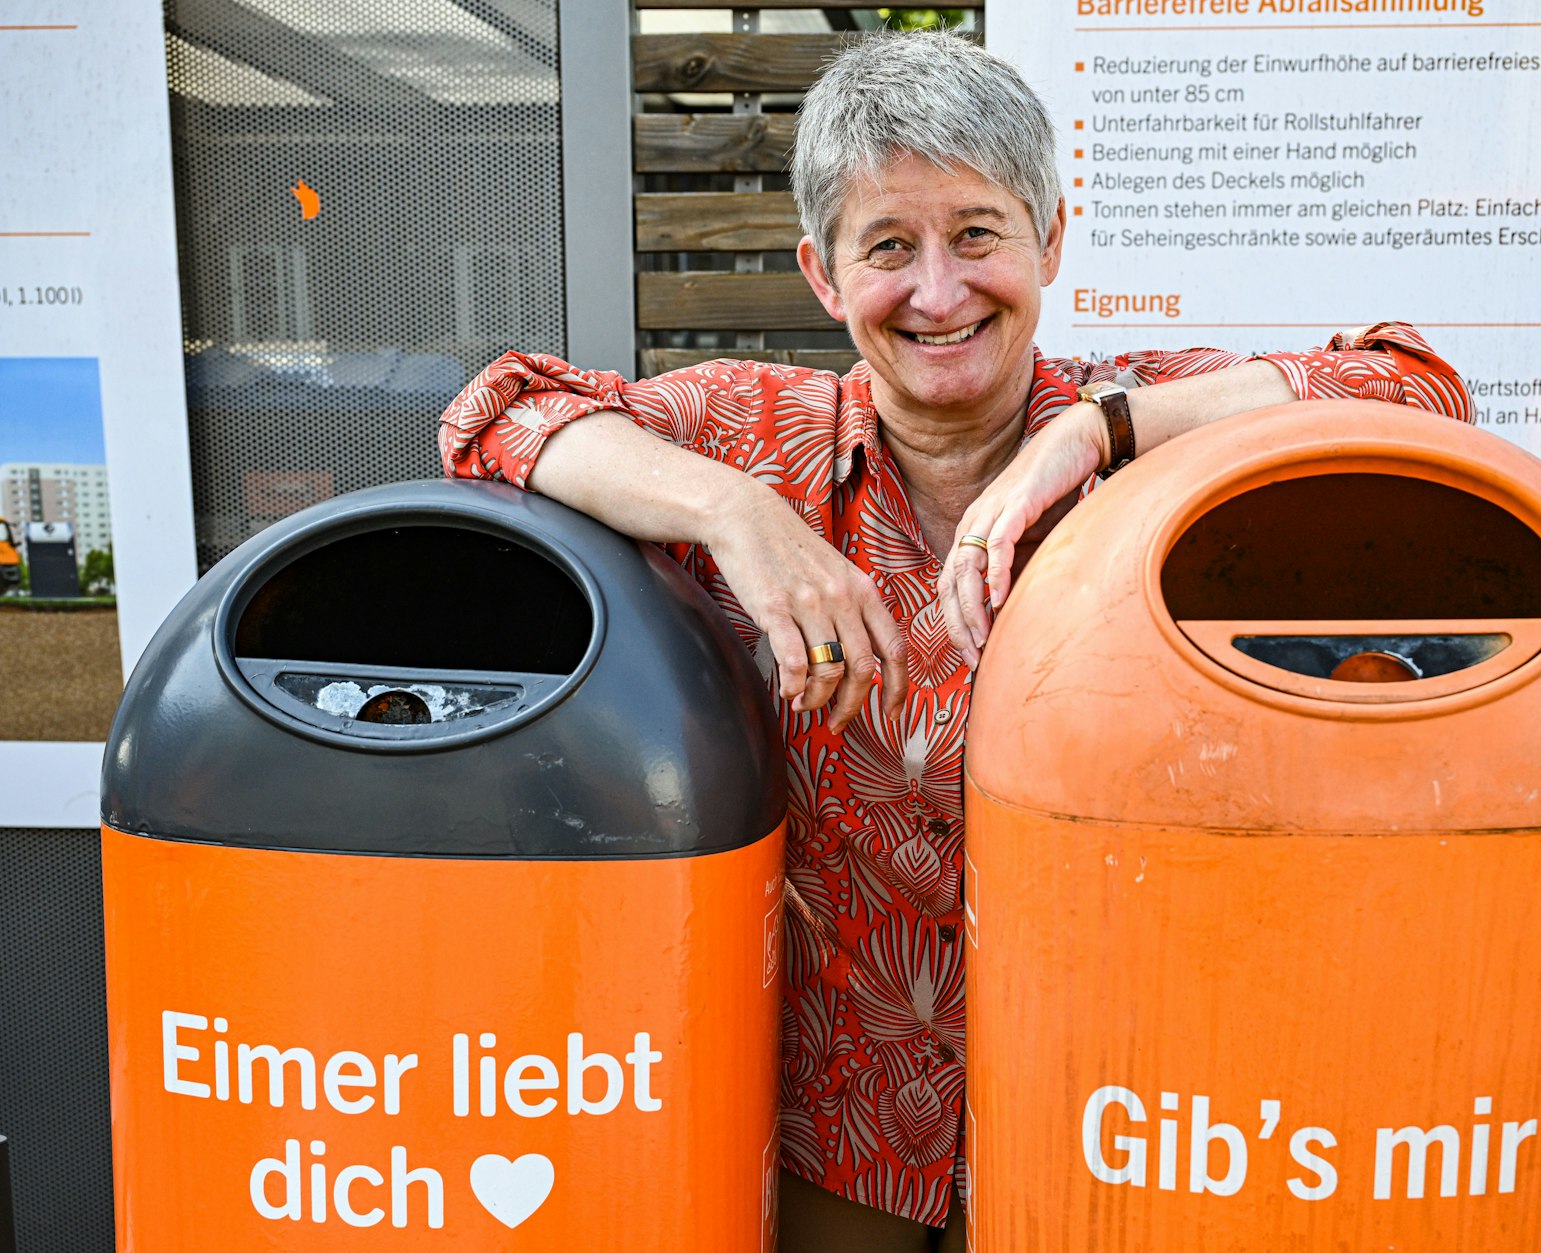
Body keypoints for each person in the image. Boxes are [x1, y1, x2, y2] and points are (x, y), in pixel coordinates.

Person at [437, 30, 1472, 1251]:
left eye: (977, 233)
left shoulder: (1148, 427)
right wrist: (735, 512)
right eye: (888, 247)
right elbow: (495, 413)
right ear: (824, 277)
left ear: (1049, 239)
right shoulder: (748, 434)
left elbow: (1416, 388)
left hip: (1116, 1109)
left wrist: (1092, 434)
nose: (938, 292)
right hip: (838, 1112)